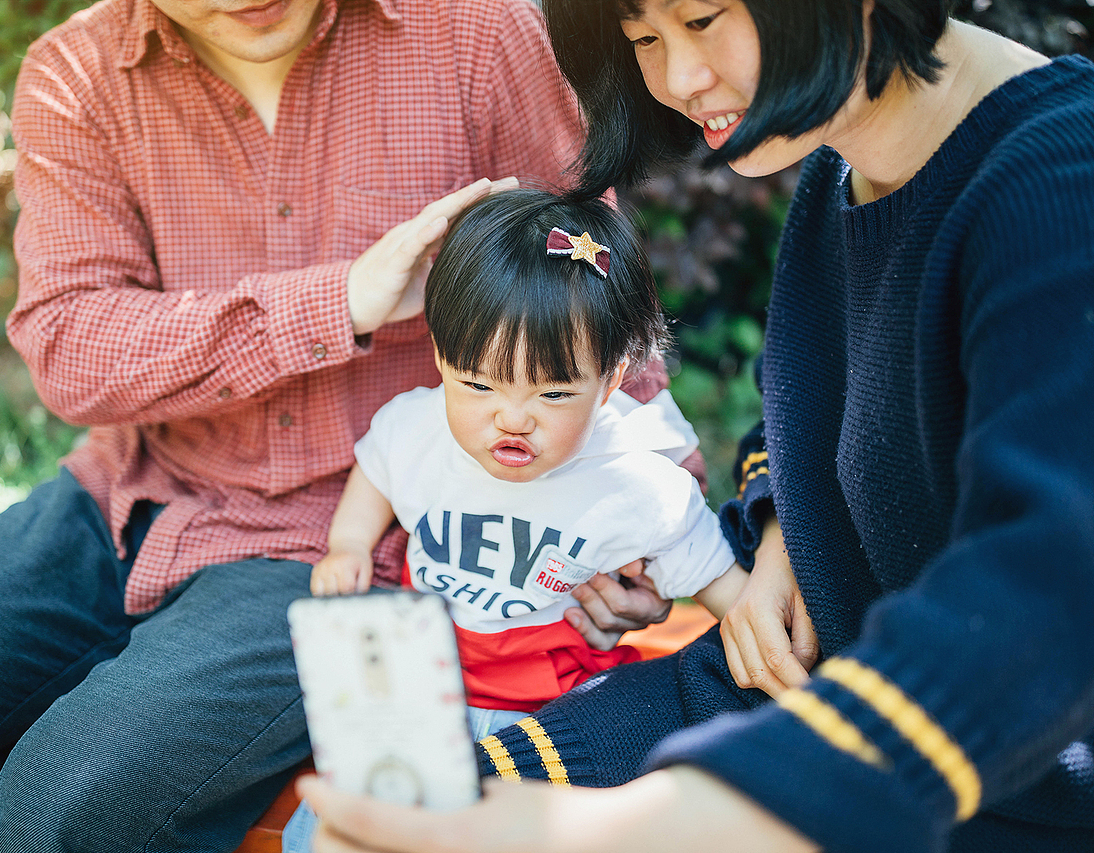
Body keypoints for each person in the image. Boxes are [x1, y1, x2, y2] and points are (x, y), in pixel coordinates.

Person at [0, 1, 653, 851]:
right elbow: (69, 347)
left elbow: (591, 284)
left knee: (75, 802)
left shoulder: (475, 31)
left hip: (341, 535)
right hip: (126, 492)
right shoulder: (77, 73)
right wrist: (339, 301)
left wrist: (634, 530)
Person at [299, 1, 1094, 851]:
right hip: (777, 687)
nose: (679, 80)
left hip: (967, 765)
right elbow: (811, 421)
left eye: (705, 18)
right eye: (645, 40)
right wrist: (788, 540)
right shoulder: (838, 177)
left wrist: (696, 819)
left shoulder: (1059, 187)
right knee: (379, 821)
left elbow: (1048, 584)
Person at [282, 189, 748, 852]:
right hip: (423, 685)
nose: (512, 416)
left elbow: (726, 586)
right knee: (333, 829)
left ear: (613, 379)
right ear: (442, 356)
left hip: (548, 712)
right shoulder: (417, 428)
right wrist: (349, 542)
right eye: (479, 384)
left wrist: (771, 645)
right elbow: (379, 469)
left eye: (553, 392)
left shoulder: (634, 486)